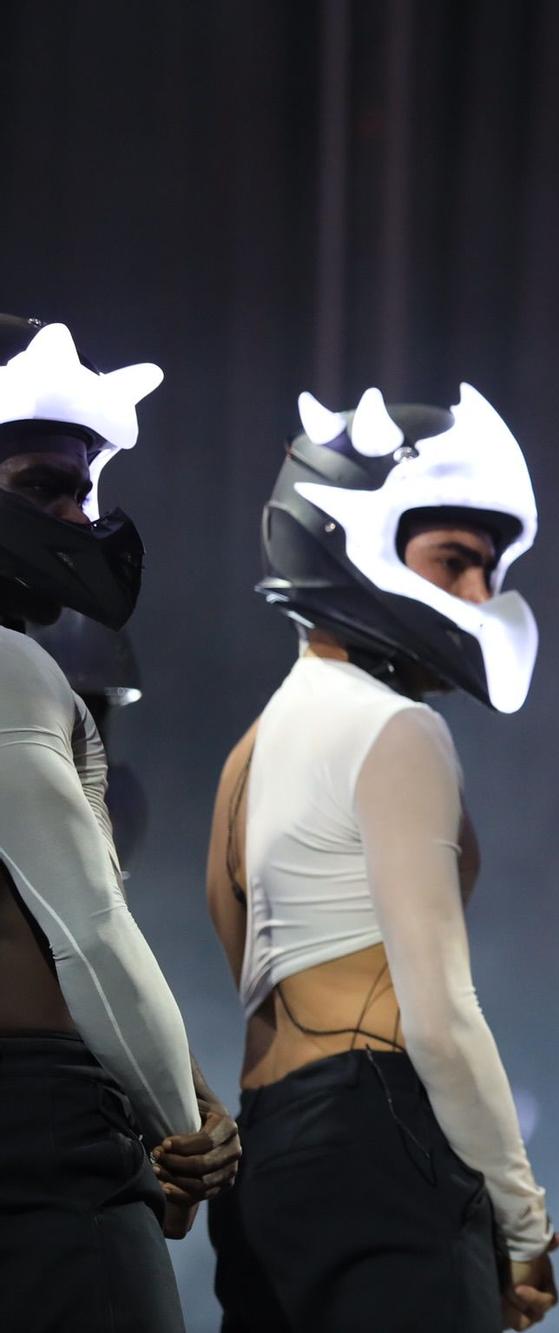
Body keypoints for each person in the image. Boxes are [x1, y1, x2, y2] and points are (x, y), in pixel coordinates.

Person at [204, 384, 559, 1332]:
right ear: (351, 534)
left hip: (264, 1160)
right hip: (382, 1136)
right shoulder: (398, 729)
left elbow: (248, 973)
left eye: (487, 568)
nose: (481, 596)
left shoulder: (250, 751)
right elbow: (440, 1018)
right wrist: (521, 1222)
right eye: (453, 561)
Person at [0, 314, 237, 1332]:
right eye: (39, 485)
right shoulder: (11, 669)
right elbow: (88, 929)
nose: (74, 513)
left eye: (82, 488)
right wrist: (178, 1126)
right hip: (46, 1141)